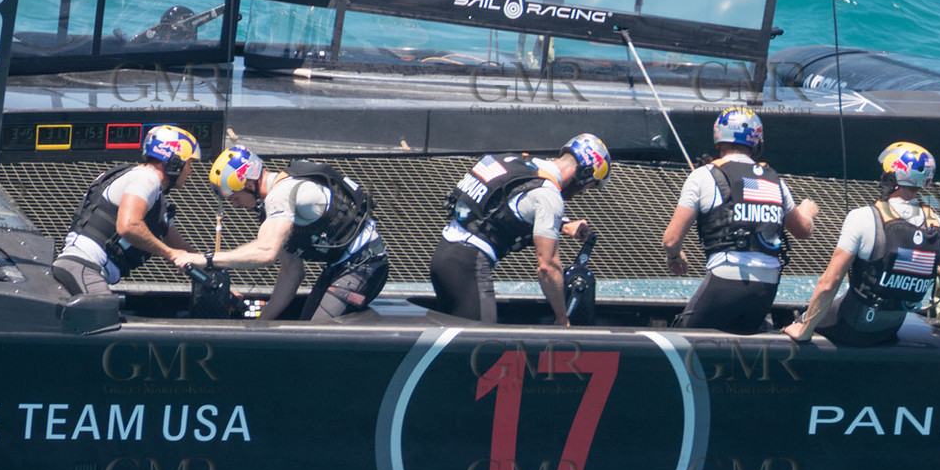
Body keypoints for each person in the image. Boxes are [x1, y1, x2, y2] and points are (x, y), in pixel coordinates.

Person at [783, 142, 940, 346]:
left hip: (852, 327)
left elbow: (828, 284)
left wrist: (803, 329)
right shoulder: (939, 226)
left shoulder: (862, 217)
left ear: (890, 178)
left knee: (798, 320)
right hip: (888, 330)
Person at [662, 107, 818, 333]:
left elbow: (670, 240)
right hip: (766, 287)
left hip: (725, 279)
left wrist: (675, 255)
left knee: (684, 338)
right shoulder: (775, 182)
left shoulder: (703, 176)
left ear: (718, 139)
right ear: (756, 142)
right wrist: (807, 211)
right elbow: (803, 230)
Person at [431, 134, 610, 325]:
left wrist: (563, 223)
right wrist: (561, 317)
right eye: (590, 185)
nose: (583, 192)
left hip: (444, 257)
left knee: (458, 347)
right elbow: (547, 267)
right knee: (482, 347)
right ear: (584, 173)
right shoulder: (549, 196)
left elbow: (504, 206)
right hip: (468, 267)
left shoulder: (520, 163)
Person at [198, 145, 389, 321]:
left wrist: (207, 259)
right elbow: (292, 272)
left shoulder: (280, 195)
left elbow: (266, 252)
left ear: (249, 185)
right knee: (304, 331)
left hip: (364, 265)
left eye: (235, 198)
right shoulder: (277, 204)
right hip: (341, 266)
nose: (237, 206)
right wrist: (260, 324)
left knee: (315, 339)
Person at [53, 124, 203, 296]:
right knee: (105, 316)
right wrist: (169, 254)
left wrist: (220, 282)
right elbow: (128, 226)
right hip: (83, 266)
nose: (190, 172)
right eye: (189, 164)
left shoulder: (154, 197)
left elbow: (181, 248)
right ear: (175, 161)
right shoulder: (147, 178)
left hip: (84, 268)